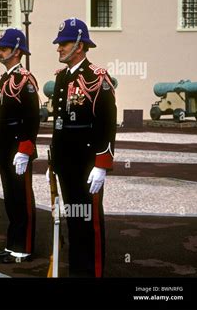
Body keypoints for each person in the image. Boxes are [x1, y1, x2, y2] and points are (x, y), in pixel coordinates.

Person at [49, 18, 117, 277]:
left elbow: (108, 123)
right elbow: (59, 123)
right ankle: (78, 269)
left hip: (88, 164)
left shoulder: (97, 77)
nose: (58, 48)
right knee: (74, 220)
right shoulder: (61, 78)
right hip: (67, 163)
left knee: (90, 222)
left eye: (63, 43)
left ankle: (93, 271)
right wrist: (54, 161)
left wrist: (102, 164)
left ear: (79, 45)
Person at [0, 29, 40, 263]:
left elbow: (31, 117)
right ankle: (13, 244)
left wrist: (25, 148)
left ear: (17, 51)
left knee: (22, 197)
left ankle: (24, 246)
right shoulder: (6, 78)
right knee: (10, 197)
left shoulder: (24, 79)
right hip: (5, 145)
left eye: (4, 48)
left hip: (19, 146)